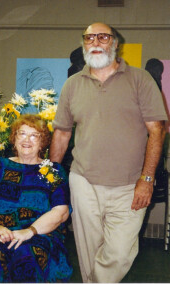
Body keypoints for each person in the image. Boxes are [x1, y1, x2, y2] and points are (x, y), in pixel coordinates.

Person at [50, 22, 167, 283]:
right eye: (90, 37)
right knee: (88, 254)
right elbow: (62, 133)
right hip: (84, 181)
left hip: (130, 185)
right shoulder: (72, 84)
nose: (96, 42)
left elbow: (156, 131)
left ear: (115, 43)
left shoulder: (140, 79)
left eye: (103, 37)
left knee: (119, 253)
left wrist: (147, 180)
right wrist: (50, 176)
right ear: (84, 44)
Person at [0, 114, 73, 282]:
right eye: (22, 133)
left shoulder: (50, 171)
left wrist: (29, 231)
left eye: (34, 135)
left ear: (43, 142)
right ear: (14, 138)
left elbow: (61, 211)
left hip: (38, 233)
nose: (27, 140)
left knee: (26, 257)